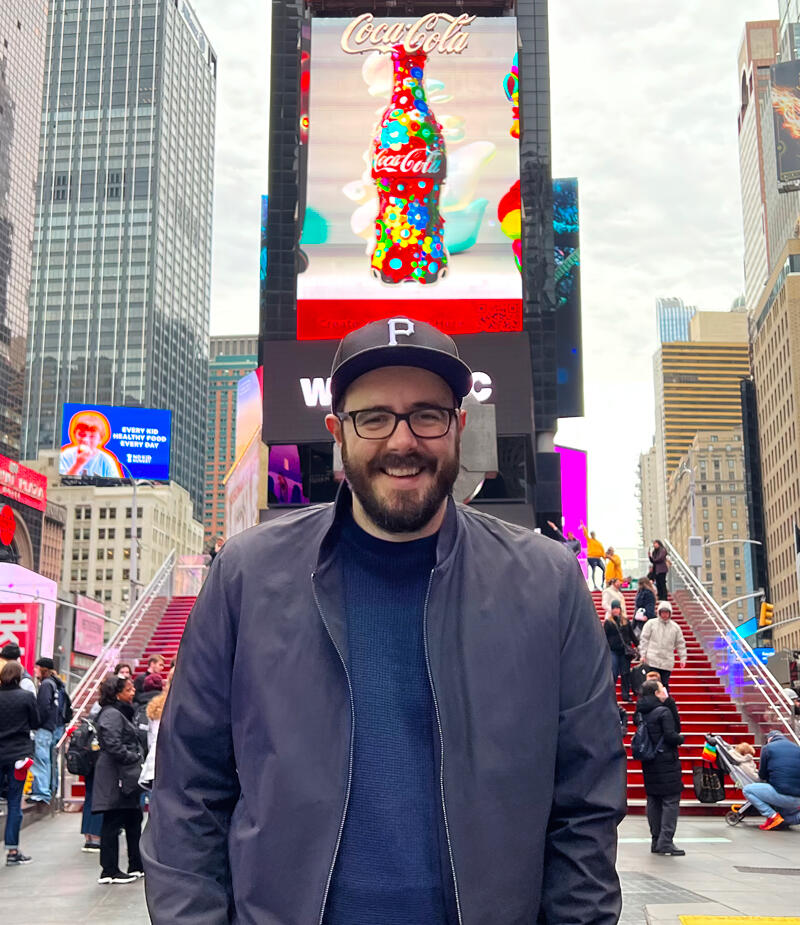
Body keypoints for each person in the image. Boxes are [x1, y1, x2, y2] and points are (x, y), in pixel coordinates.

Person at [141, 316, 627, 924]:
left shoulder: (548, 581)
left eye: (428, 415)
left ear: (459, 428)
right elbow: (187, 792)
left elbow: (586, 802)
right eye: (373, 418)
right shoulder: (246, 574)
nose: (403, 442)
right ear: (337, 433)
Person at [93, 675, 144, 884]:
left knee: (132, 818)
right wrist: (132, 757)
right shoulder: (112, 714)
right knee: (114, 820)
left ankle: (136, 865)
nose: (133, 692)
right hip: (116, 774)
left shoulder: (116, 713)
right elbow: (113, 743)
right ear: (117, 693)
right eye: (129, 689)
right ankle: (110, 870)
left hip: (121, 774)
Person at [635, 679, 685, 855]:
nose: (665, 690)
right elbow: (672, 734)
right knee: (670, 800)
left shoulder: (641, 711)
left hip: (649, 761)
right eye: (662, 688)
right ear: (656, 693)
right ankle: (666, 841)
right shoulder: (663, 711)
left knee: (653, 800)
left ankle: (656, 840)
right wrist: (681, 739)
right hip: (666, 761)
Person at [0, 661, 39, 865]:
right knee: (15, 802)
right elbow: (36, 722)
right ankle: (12, 851)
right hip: (18, 757)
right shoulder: (26, 697)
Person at [27, 657, 66, 805]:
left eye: (37, 668)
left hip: (43, 728)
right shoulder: (54, 684)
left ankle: (41, 792)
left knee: (40, 760)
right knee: (47, 760)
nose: (35, 670)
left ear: (43, 669)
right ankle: (46, 789)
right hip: (50, 727)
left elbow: (43, 707)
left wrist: (35, 723)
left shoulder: (46, 685)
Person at [742, 730, 800, 830]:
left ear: (769, 739)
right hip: (798, 798)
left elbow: (762, 775)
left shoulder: (768, 748)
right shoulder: (797, 748)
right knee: (787, 818)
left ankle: (773, 816)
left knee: (747, 789)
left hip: (781, 794)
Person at [59, 409, 123, 478]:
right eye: (81, 434)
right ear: (74, 435)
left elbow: (116, 485)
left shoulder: (107, 460)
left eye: (92, 436)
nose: (85, 440)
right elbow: (61, 483)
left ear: (100, 439)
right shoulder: (65, 456)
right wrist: (78, 464)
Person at [638, 601, 687, 690]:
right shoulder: (651, 624)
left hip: (667, 661)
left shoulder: (675, 628)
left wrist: (683, 658)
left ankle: (664, 701)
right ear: (659, 612)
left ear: (670, 613)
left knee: (664, 684)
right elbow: (644, 639)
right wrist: (643, 654)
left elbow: (680, 643)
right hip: (652, 659)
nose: (664, 614)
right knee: (653, 685)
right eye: (663, 612)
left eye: (666, 612)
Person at [604, 600, 635, 702]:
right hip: (613, 650)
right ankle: (610, 695)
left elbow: (632, 635)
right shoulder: (608, 623)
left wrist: (639, 647)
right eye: (614, 608)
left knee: (625, 673)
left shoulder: (626, 621)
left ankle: (625, 694)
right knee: (614, 672)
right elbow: (604, 637)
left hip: (625, 652)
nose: (616, 610)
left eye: (617, 608)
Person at [580, 522, 606, 590]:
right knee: (593, 570)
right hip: (592, 558)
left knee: (604, 569)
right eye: (591, 534)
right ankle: (594, 585)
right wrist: (583, 526)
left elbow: (602, 550)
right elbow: (585, 534)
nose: (592, 535)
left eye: (593, 534)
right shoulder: (589, 540)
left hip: (598, 558)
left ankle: (602, 584)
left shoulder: (598, 542)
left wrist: (604, 557)